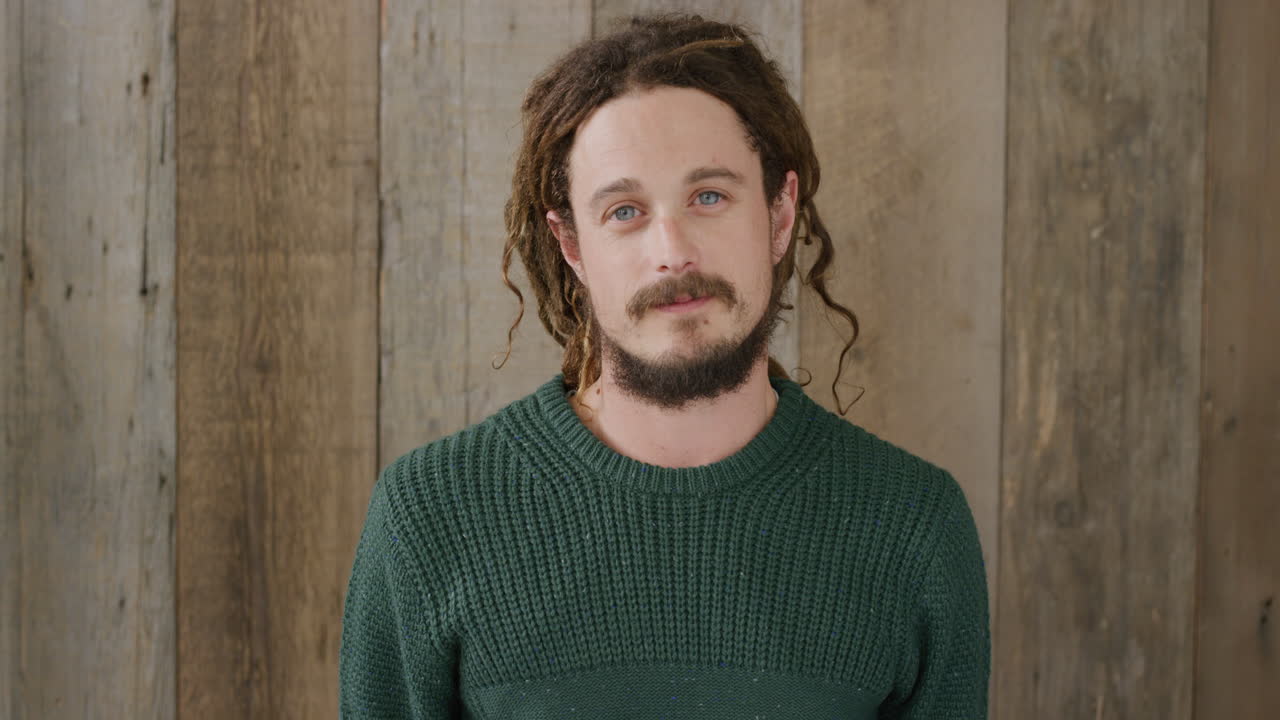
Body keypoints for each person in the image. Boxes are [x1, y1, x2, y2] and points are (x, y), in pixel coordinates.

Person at [339, 13, 989, 719]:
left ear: (779, 215)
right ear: (572, 246)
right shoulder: (431, 515)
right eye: (624, 211)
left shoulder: (913, 525)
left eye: (708, 197)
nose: (672, 250)